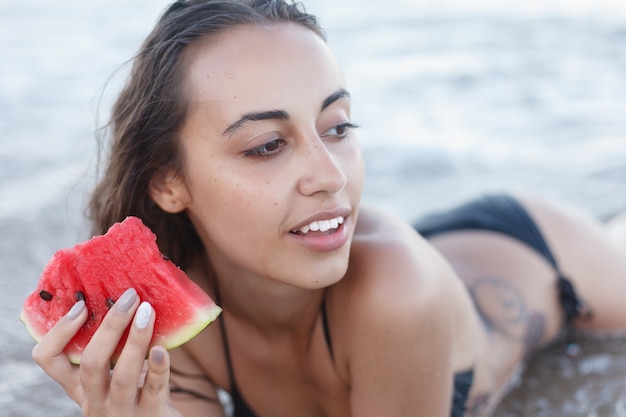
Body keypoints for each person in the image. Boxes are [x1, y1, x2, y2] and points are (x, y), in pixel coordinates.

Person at [30, 1, 626, 416]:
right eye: (266, 145)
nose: (330, 174)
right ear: (168, 183)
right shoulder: (160, 318)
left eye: (338, 127)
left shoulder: (396, 296)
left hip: (541, 258)